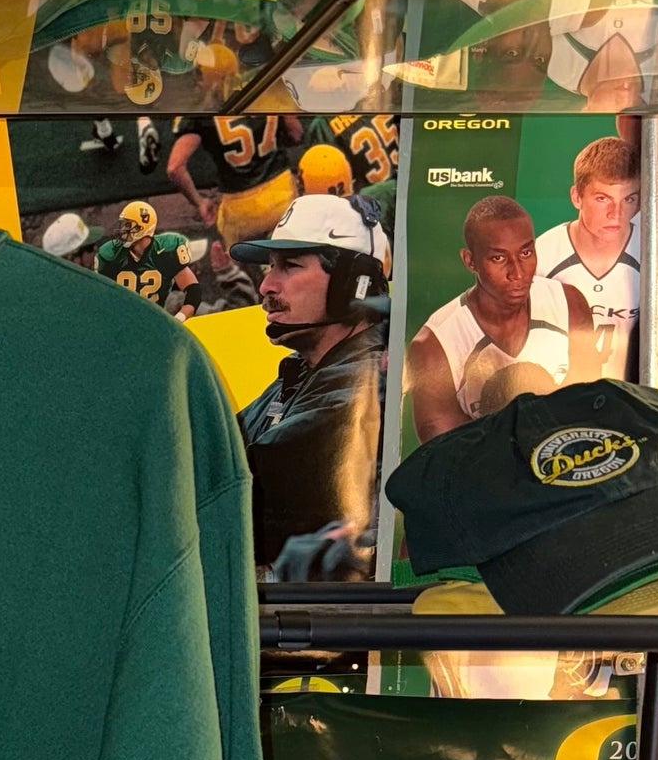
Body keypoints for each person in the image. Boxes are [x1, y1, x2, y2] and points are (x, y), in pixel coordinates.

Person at [229, 193, 391, 576]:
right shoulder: (300, 372)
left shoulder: (368, 383)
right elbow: (220, 442)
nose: (266, 286)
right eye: (270, 267)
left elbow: (235, 487)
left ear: (354, 283)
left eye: (290, 266)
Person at [405, 195, 599, 442]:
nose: (517, 272)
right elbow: (449, 455)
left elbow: (589, 411)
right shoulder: (434, 347)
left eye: (526, 253)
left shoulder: (569, 305)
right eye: (498, 258)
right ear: (470, 261)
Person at [535, 134, 642, 379]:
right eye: (602, 198)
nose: (616, 213)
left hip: (629, 393)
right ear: (576, 197)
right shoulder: (542, 259)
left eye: (628, 199)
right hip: (561, 390)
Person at [167, 112, 305, 249]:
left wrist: (199, 203)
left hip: (239, 211)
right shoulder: (270, 97)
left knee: (234, 259)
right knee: (295, 257)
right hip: (282, 195)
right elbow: (295, 134)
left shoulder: (201, 109)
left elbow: (174, 169)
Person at [92, 201, 198, 315]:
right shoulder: (111, 253)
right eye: (122, 225)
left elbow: (193, 290)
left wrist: (180, 318)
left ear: (142, 227)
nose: (122, 231)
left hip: (156, 320)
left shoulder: (165, 250)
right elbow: (100, 298)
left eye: (128, 225)